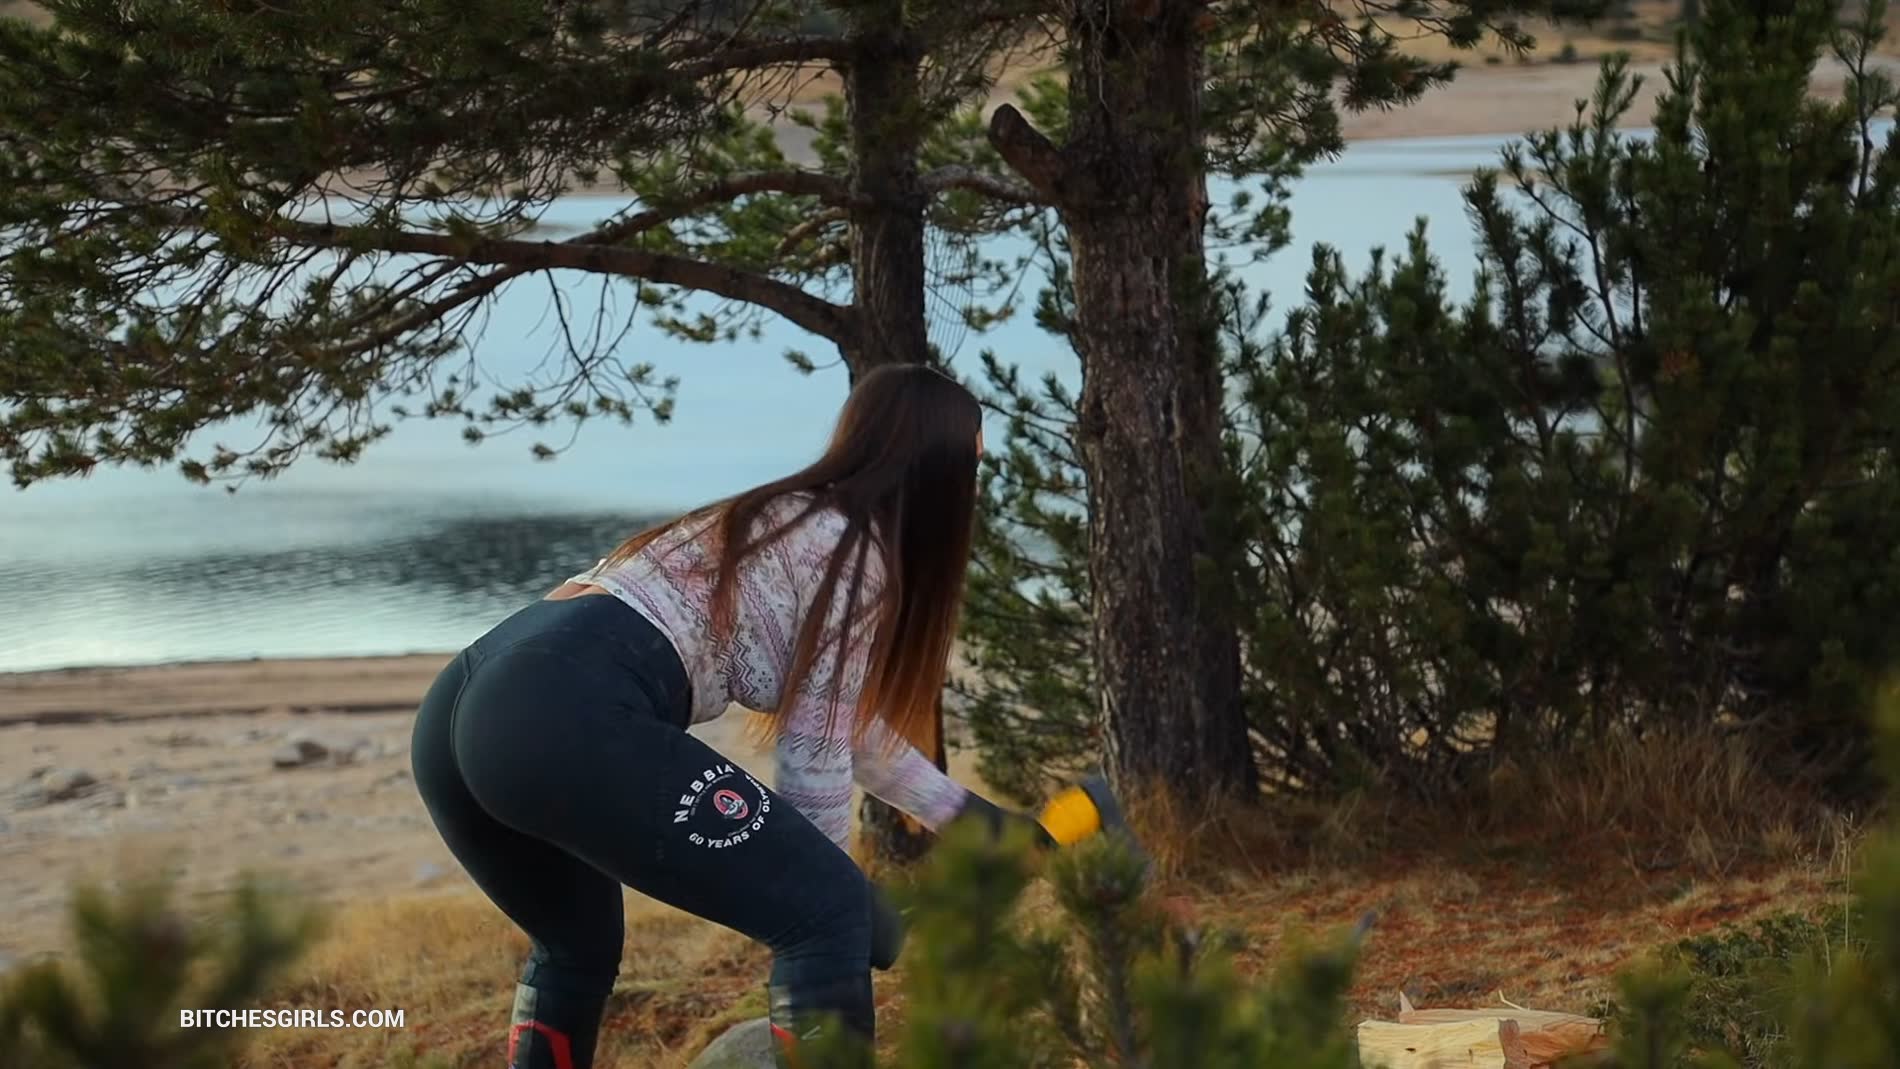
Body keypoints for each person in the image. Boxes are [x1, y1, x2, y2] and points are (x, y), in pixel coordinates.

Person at [408, 363, 1051, 1069]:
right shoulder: (854, 554)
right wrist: (843, 900)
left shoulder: (770, 515)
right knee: (828, 913)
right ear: (938, 467)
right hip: (559, 707)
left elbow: (846, 728)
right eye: (974, 463)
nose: (976, 484)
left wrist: (974, 821)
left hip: (465, 702)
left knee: (575, 946)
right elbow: (814, 756)